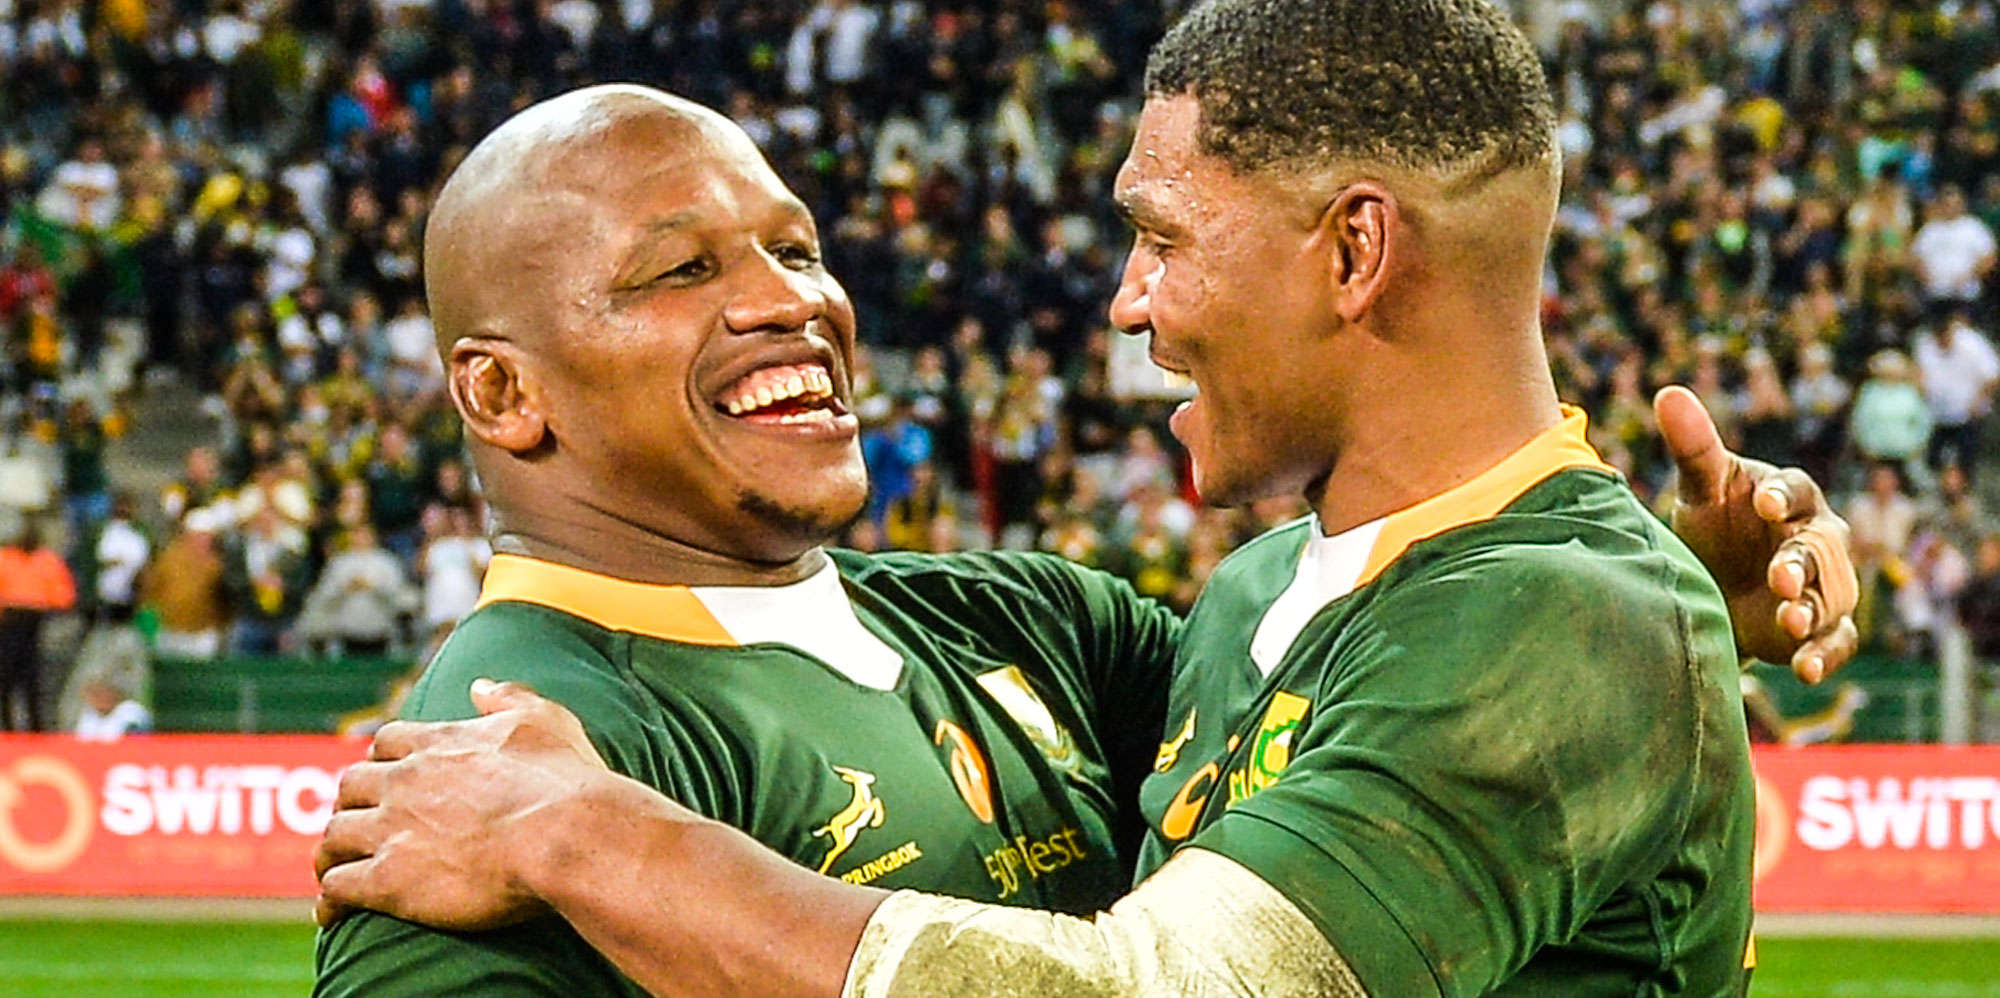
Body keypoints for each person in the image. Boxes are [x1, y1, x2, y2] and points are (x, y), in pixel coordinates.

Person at [318, 52, 1859, 998]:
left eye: (794, 246)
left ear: (1354, 252)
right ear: (502, 392)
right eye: (680, 271)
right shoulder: (492, 763)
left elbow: (1406, 687)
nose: (791, 300)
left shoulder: (1023, 625)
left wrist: (1643, 613)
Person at [0, 519, 78, 731]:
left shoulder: (47, 561)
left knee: (33, 679)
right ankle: (7, 725)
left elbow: (64, 595)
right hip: (9, 623)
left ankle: (36, 727)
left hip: (35, 624)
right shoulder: (5, 558)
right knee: (6, 677)